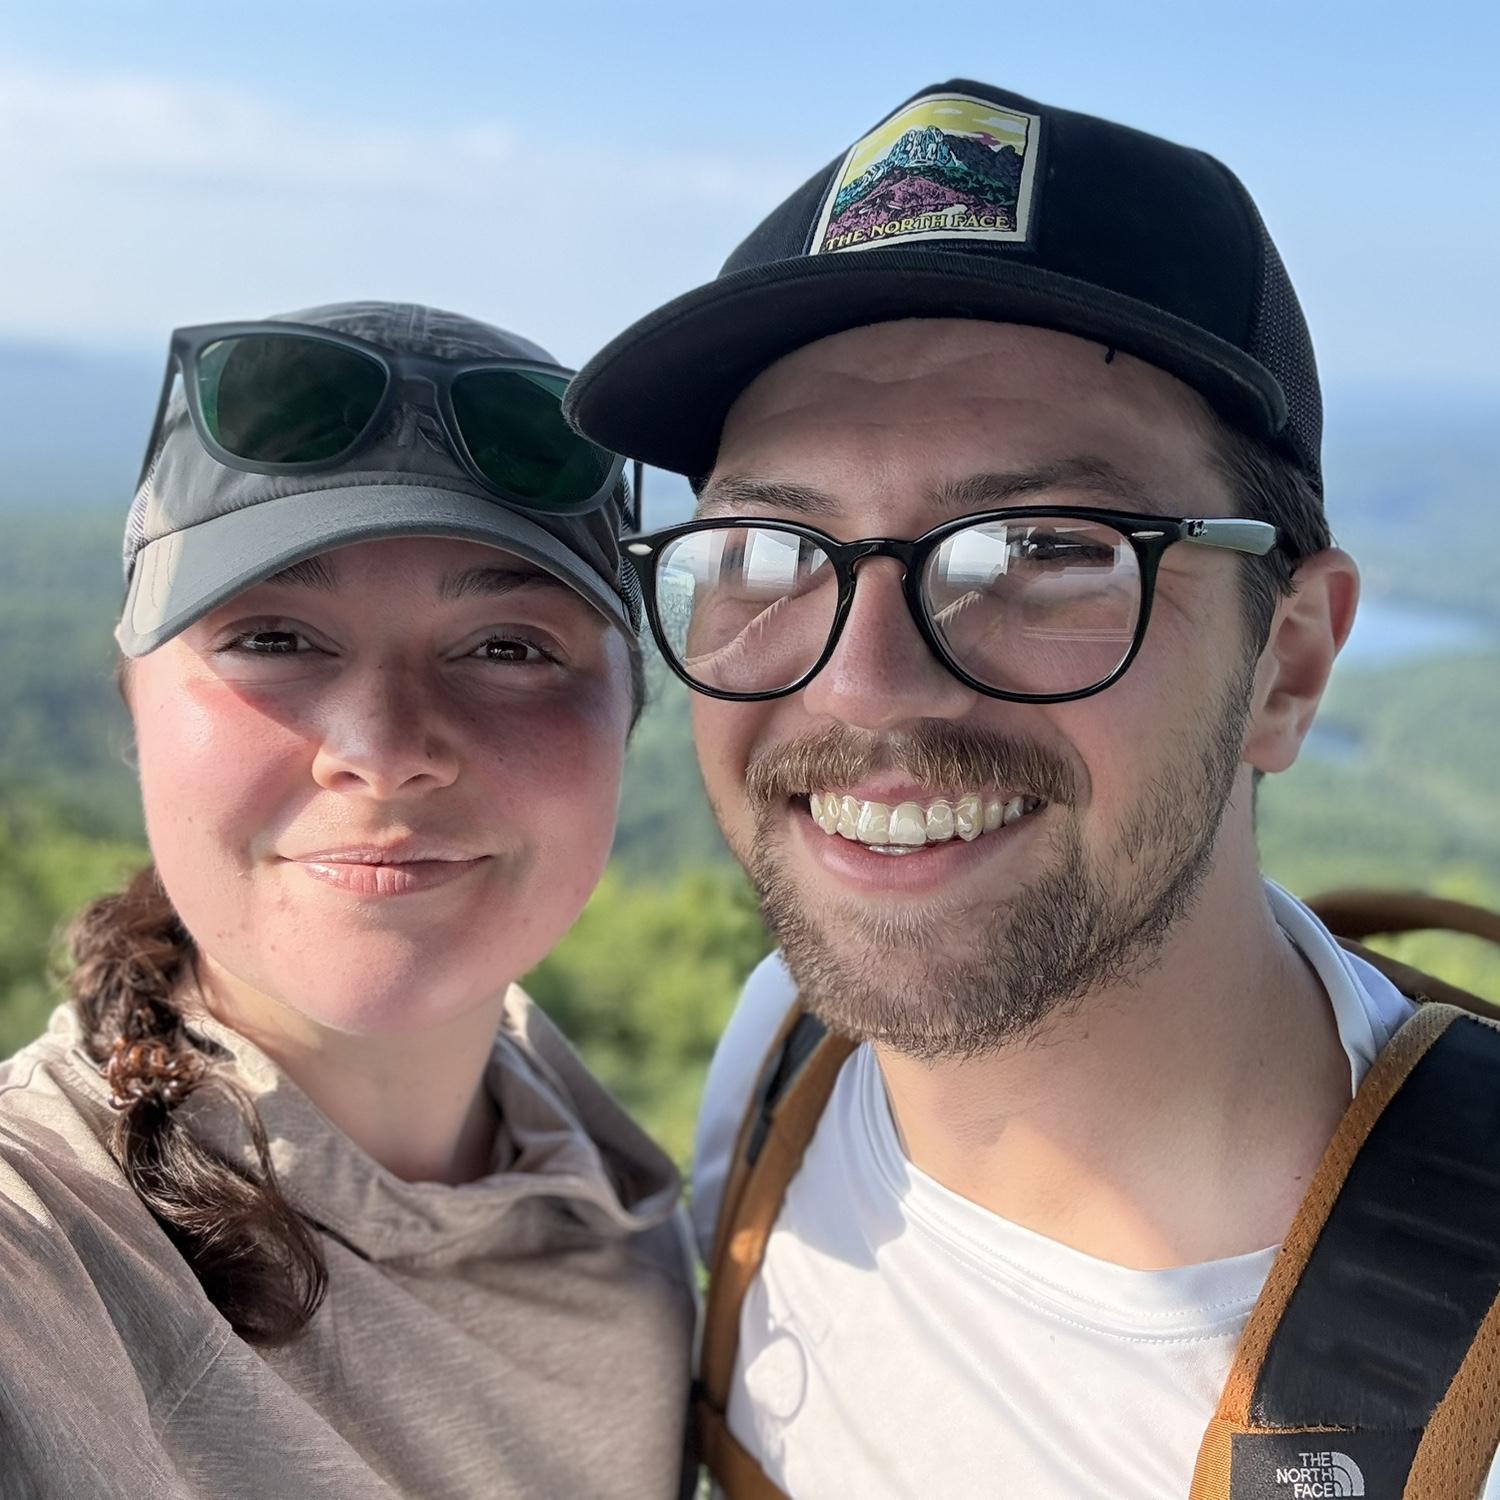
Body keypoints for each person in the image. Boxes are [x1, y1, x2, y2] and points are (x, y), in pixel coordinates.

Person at [565, 82, 1500, 1498]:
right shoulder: (785, 1060)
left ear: (1290, 664)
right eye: (768, 550)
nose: (864, 687)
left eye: (1045, 550)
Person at [0, 302, 695, 1499]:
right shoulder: (49, 1246)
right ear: (132, 701)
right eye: (274, 636)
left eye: (509, 648)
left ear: (627, 720)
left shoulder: (641, 1227)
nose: (382, 750)